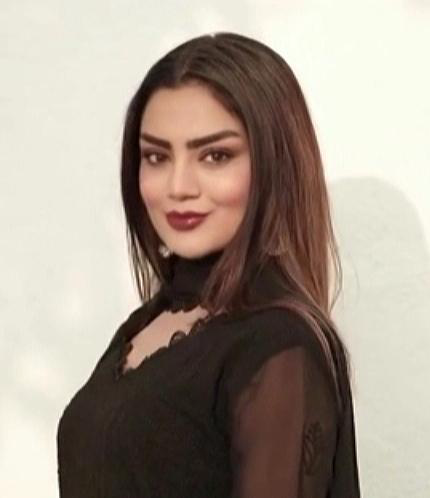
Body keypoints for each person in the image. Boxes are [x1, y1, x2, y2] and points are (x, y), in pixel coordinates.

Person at [56, 32, 361, 497]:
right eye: (157, 156)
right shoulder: (147, 324)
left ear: (274, 165)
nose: (178, 186)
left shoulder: (276, 344)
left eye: (215, 156)